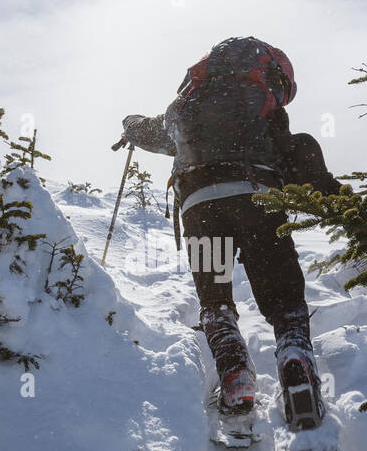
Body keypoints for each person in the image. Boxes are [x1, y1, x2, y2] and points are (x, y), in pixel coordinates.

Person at [116, 36, 341, 430]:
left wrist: (130, 124)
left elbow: (151, 131)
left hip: (200, 204)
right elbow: (296, 157)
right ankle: (294, 358)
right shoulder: (263, 111)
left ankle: (235, 375)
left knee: (216, 300)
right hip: (258, 199)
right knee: (283, 297)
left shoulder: (185, 106)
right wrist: (338, 200)